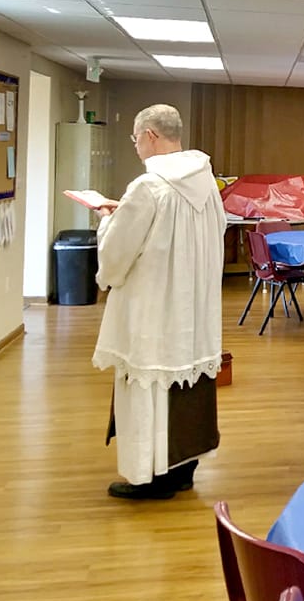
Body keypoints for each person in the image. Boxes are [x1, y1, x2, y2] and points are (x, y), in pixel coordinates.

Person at [92, 104, 226, 499]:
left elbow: (117, 254)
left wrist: (107, 220)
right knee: (189, 385)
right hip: (193, 306)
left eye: (136, 139)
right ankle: (183, 469)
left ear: (150, 135)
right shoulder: (206, 181)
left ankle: (151, 477)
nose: (136, 147)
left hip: (154, 308)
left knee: (150, 381)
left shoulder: (148, 187)